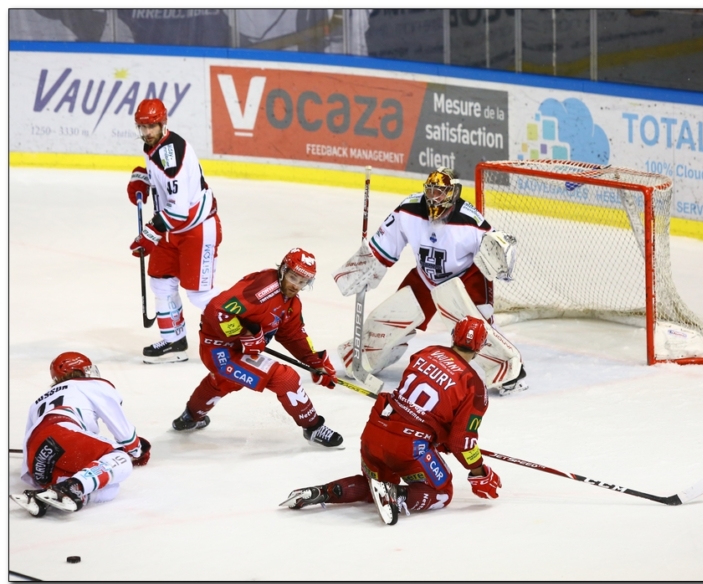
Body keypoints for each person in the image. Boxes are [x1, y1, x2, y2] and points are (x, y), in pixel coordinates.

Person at [281, 315, 502, 525]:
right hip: (408, 445)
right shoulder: (474, 385)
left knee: (375, 484)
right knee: (441, 493)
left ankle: (323, 492)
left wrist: (439, 436)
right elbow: (461, 442)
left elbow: (418, 406)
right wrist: (479, 472)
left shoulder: (427, 352)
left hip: (375, 430)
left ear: (454, 335)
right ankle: (397, 495)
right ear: (481, 347)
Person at [332, 167, 527, 393]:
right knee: (387, 318)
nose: (435, 197)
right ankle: (365, 357)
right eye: (431, 190)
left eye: (441, 192)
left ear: (454, 193)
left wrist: (500, 256)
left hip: (465, 277)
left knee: (475, 329)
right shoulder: (408, 210)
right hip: (425, 276)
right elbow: (384, 246)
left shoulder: (471, 221)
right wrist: (366, 266)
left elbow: (492, 254)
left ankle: (509, 370)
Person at [171, 248, 344, 449]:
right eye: (292, 277)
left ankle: (191, 417)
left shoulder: (290, 303)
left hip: (239, 351)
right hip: (219, 349)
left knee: (226, 381)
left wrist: (315, 363)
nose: (296, 285)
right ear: (283, 271)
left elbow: (293, 335)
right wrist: (242, 335)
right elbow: (216, 310)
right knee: (284, 378)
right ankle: (313, 428)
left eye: (302, 282)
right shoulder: (263, 290)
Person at [128, 97, 222, 364]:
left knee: (200, 295)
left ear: (163, 122)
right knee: (160, 280)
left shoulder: (171, 155)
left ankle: (241, 335)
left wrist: (150, 233)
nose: (146, 133)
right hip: (172, 228)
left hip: (196, 228)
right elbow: (164, 184)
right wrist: (142, 178)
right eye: (142, 127)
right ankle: (174, 342)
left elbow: (180, 210)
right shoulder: (157, 145)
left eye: (151, 126)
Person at [10, 352, 151, 517]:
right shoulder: (90, 384)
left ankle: (49, 496)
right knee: (121, 460)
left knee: (110, 488)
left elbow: (30, 441)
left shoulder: (37, 402)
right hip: (61, 432)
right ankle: (72, 487)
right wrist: (135, 450)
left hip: (37, 461)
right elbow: (125, 436)